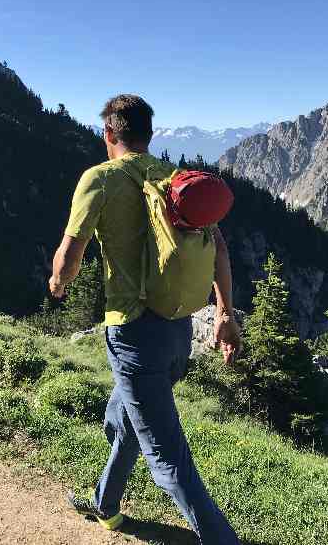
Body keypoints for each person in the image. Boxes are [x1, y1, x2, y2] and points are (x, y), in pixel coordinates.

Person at [49, 94, 242, 544]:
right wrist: (224, 316)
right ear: (149, 135)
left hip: (133, 333)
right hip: (177, 331)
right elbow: (220, 251)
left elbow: (70, 256)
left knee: (167, 458)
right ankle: (107, 506)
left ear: (108, 135)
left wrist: (59, 283)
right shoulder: (176, 180)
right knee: (124, 418)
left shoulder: (99, 178)